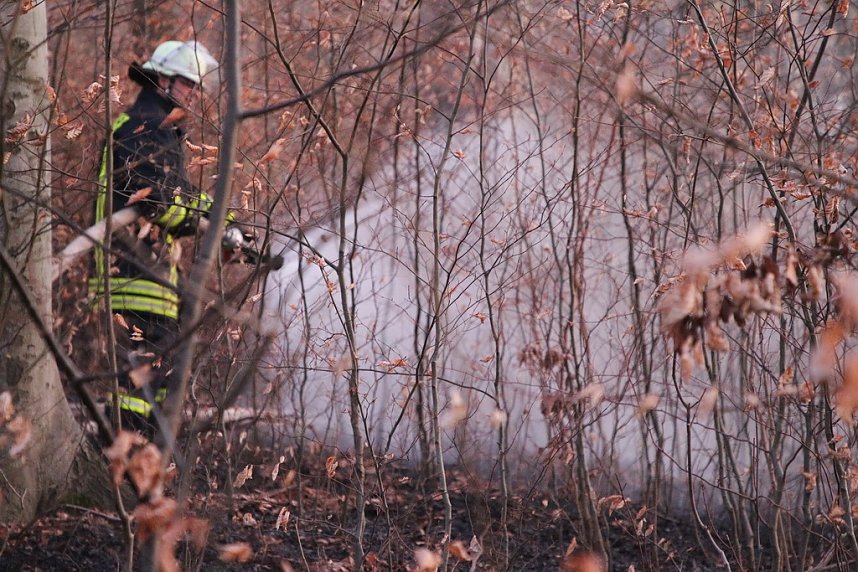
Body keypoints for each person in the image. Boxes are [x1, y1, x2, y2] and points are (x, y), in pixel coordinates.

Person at [89, 40, 242, 436]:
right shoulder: (145, 126)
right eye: (187, 83)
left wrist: (223, 216)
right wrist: (205, 222)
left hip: (148, 277)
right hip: (130, 277)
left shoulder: (159, 127)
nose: (194, 93)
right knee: (137, 390)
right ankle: (120, 471)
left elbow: (175, 191)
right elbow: (154, 200)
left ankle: (136, 472)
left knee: (151, 386)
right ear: (162, 79)